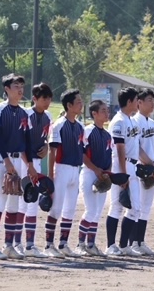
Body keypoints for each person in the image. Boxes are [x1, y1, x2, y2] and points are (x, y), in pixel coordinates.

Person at [0, 74, 33, 261]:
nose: (20, 89)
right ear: (7, 89)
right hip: (0, 159)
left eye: (22, 85)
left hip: (18, 160)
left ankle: (9, 245)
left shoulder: (24, 113)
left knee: (14, 205)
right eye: (15, 85)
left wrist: (29, 165)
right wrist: (7, 162)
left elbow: (26, 142)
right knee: (0, 202)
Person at [105, 87, 149, 257]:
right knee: (116, 206)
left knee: (135, 208)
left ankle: (124, 246)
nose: (138, 103)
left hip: (132, 166)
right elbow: (119, 148)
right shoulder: (118, 121)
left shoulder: (131, 121)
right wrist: (123, 175)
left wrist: (151, 165)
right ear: (130, 101)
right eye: (136, 100)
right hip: (120, 165)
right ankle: (110, 245)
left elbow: (136, 148)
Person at [43, 88, 85, 258]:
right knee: (56, 208)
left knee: (69, 210)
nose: (81, 104)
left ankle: (63, 244)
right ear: (69, 105)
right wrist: (51, 177)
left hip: (76, 169)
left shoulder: (81, 126)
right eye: (78, 102)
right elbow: (52, 152)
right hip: (61, 168)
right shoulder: (59, 125)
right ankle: (48, 245)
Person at [16, 83, 53, 258]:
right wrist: (29, 165)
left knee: (33, 204)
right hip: (24, 161)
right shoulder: (26, 114)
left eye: (49, 98)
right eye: (43, 98)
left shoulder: (48, 117)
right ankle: (16, 243)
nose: (47, 102)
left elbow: (44, 138)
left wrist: (46, 146)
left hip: (36, 162)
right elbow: (21, 142)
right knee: (23, 202)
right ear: (34, 99)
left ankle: (29, 245)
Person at [75, 99, 113, 256]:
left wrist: (107, 172)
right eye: (103, 110)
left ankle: (91, 244)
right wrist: (96, 169)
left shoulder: (107, 134)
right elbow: (82, 154)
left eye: (107, 110)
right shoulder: (88, 131)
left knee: (97, 212)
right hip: (90, 173)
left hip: (102, 175)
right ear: (94, 114)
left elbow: (109, 156)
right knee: (90, 210)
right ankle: (80, 244)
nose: (106, 113)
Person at [129, 88, 154, 256]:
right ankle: (132, 243)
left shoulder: (152, 123)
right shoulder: (135, 122)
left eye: (153, 100)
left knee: (146, 208)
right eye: (149, 100)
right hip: (140, 170)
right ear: (139, 102)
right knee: (137, 206)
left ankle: (140, 242)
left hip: (152, 170)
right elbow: (138, 148)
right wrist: (150, 165)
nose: (152, 103)